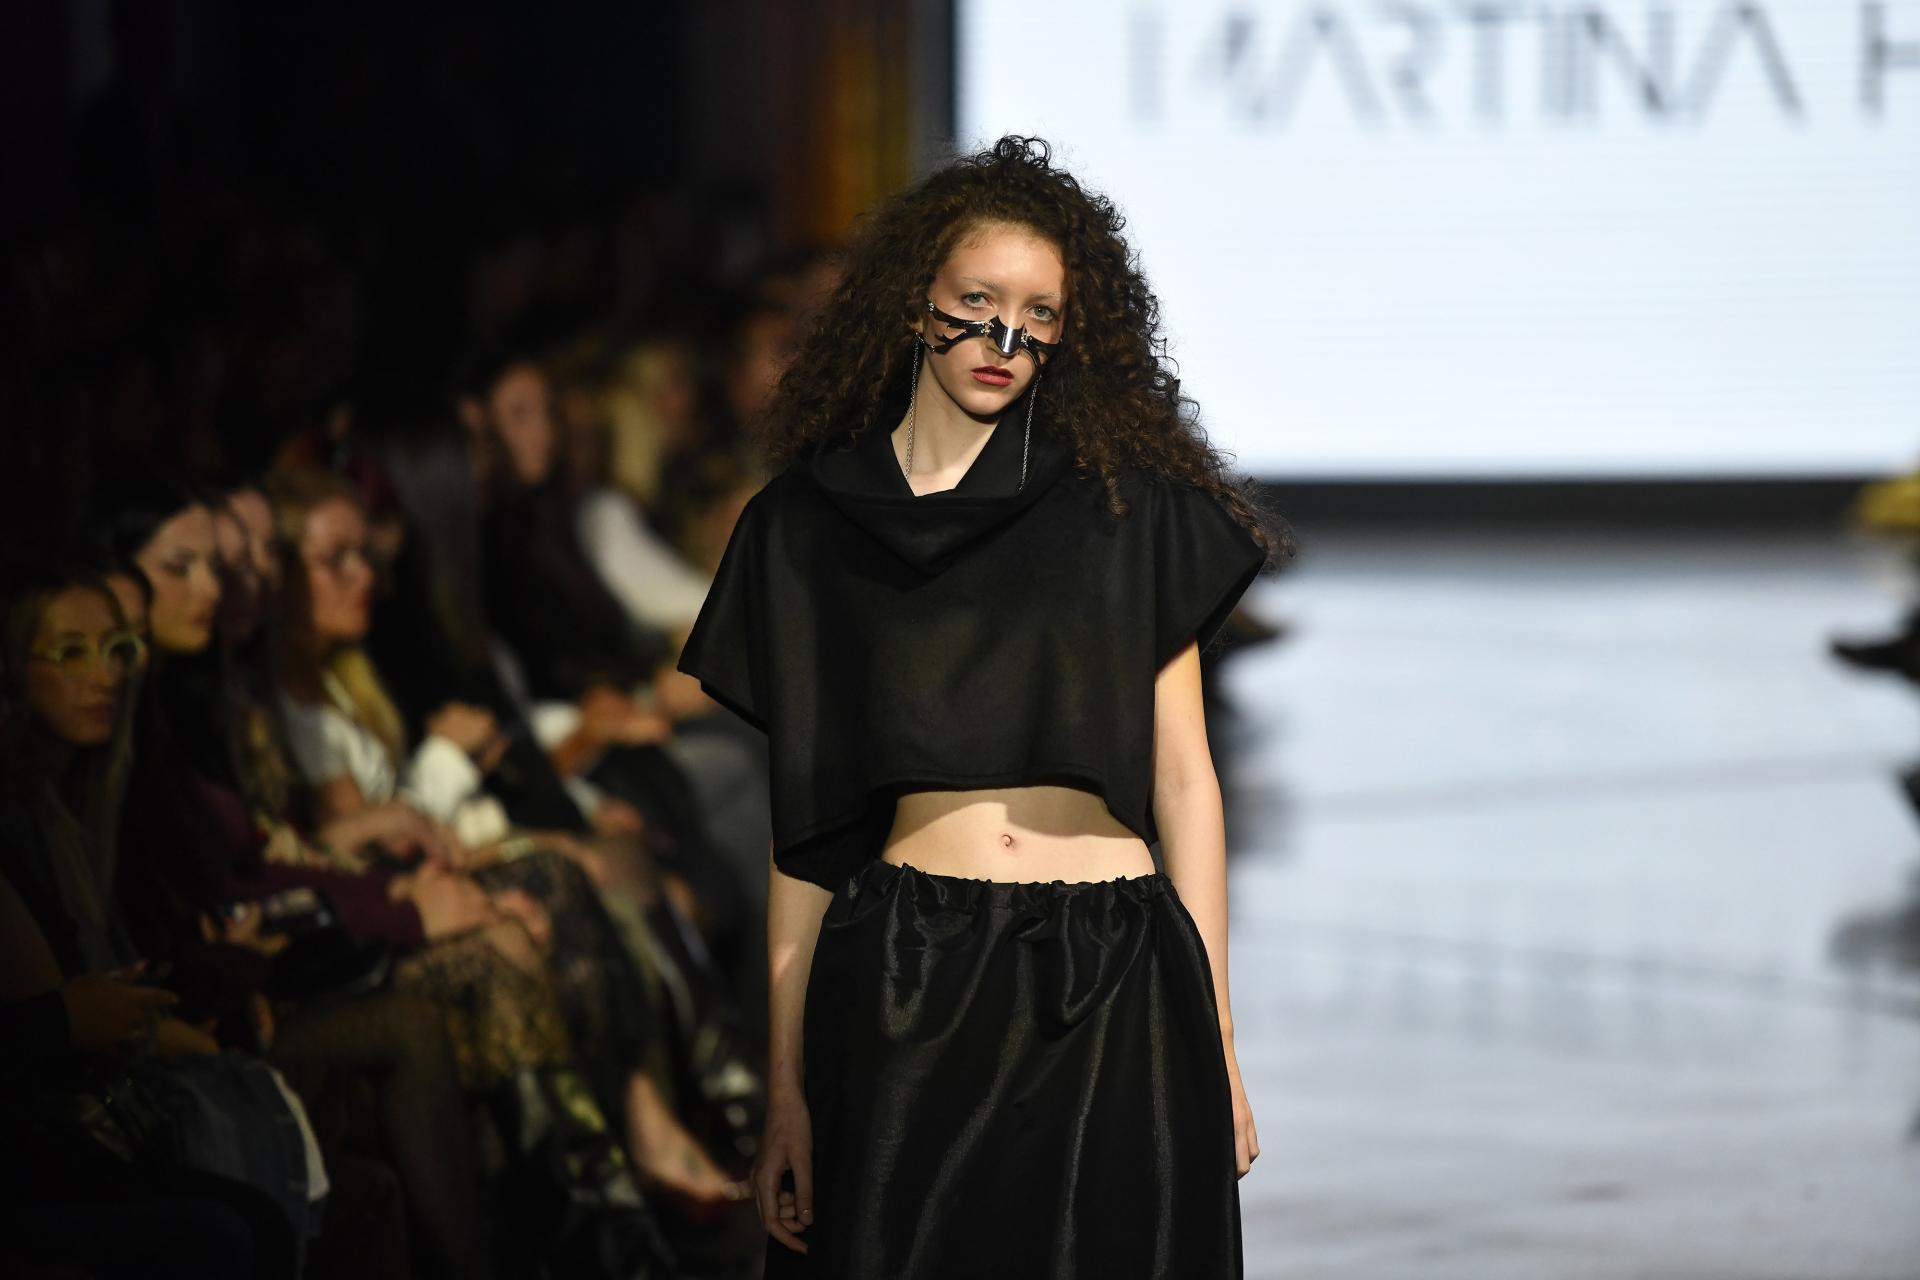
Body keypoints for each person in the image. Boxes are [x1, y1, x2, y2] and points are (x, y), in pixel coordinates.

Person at [676, 136, 1294, 1277]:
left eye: (1039, 313)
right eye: (977, 302)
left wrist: (1214, 1036)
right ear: (916, 300)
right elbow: (804, 829)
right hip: (906, 980)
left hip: (1114, 977)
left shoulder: (1128, 510)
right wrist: (786, 1091)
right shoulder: (807, 529)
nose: (1005, 339)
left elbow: (1183, 780)